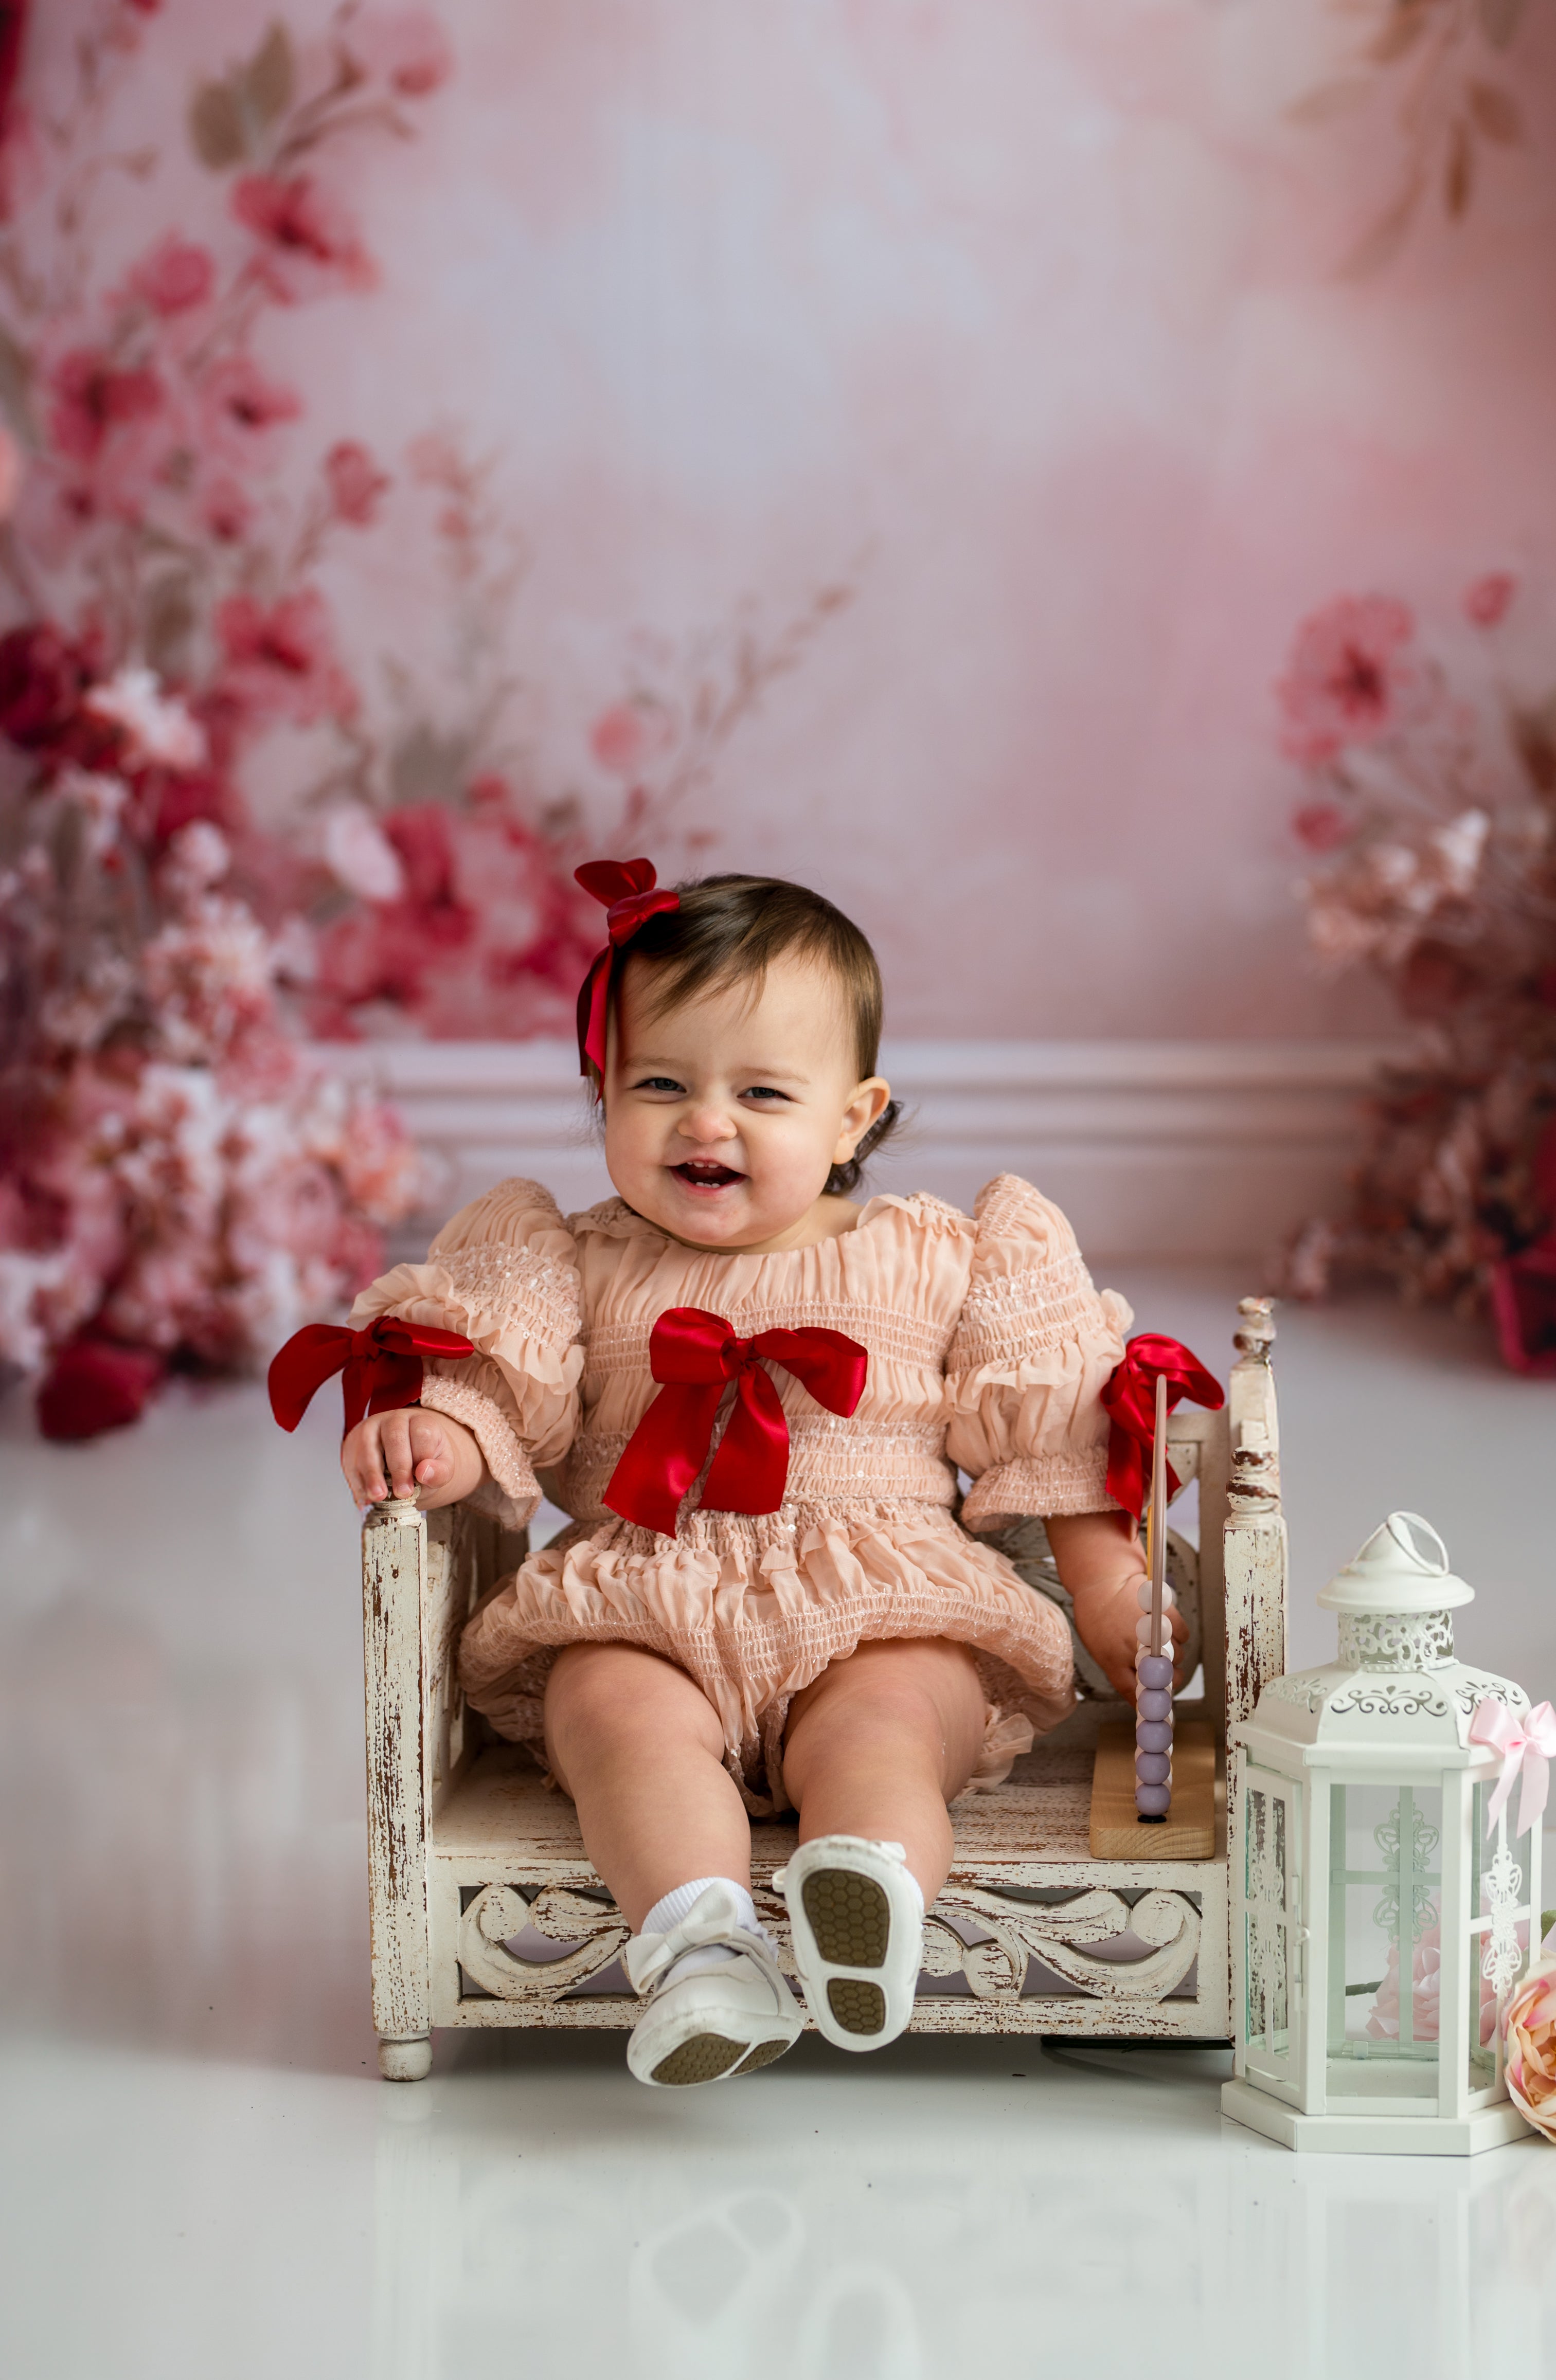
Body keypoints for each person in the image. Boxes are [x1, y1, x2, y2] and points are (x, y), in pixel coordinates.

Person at [337, 864, 1186, 2086]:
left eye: (762, 1092)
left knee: (890, 1723)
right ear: (602, 1093)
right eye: (659, 1084)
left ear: (853, 1117)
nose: (704, 1122)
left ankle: (867, 1898)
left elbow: (1049, 1440)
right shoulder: (568, 1259)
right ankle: (703, 1951)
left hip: (883, 1600)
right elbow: (501, 1387)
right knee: (614, 1716)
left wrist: (1108, 1590)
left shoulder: (940, 1257)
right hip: (645, 1598)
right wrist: (444, 1435)